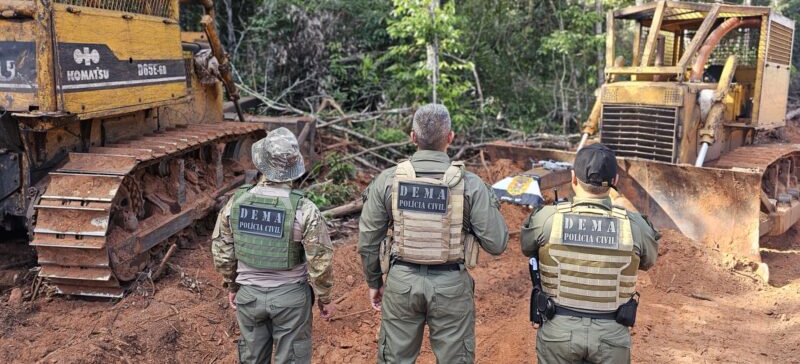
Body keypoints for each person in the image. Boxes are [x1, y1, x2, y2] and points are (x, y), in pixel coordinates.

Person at [358, 103, 509, 363]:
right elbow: (497, 243)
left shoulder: (388, 180)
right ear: (450, 138)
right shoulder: (470, 184)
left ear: (413, 137)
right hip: (451, 286)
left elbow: (368, 240)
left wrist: (375, 283)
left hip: (401, 283)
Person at [521, 143, 660, 364]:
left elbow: (527, 247)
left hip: (558, 332)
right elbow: (648, 261)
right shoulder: (635, 226)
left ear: (573, 178)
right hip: (611, 336)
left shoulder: (547, 218)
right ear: (614, 181)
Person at [211, 127, 334, 364]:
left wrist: (231, 286)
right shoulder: (304, 209)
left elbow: (222, 250)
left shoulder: (235, 202)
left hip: (249, 297)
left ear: (261, 164)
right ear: (294, 168)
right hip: (291, 300)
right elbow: (320, 261)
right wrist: (324, 298)